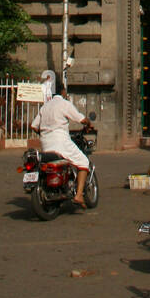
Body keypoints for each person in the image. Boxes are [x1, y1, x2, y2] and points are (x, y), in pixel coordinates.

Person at [30, 79, 93, 209]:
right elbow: (81, 118)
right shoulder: (64, 104)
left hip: (46, 143)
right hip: (60, 141)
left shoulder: (45, 106)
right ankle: (79, 195)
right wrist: (89, 123)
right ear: (63, 91)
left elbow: (34, 126)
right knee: (83, 162)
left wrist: (45, 132)